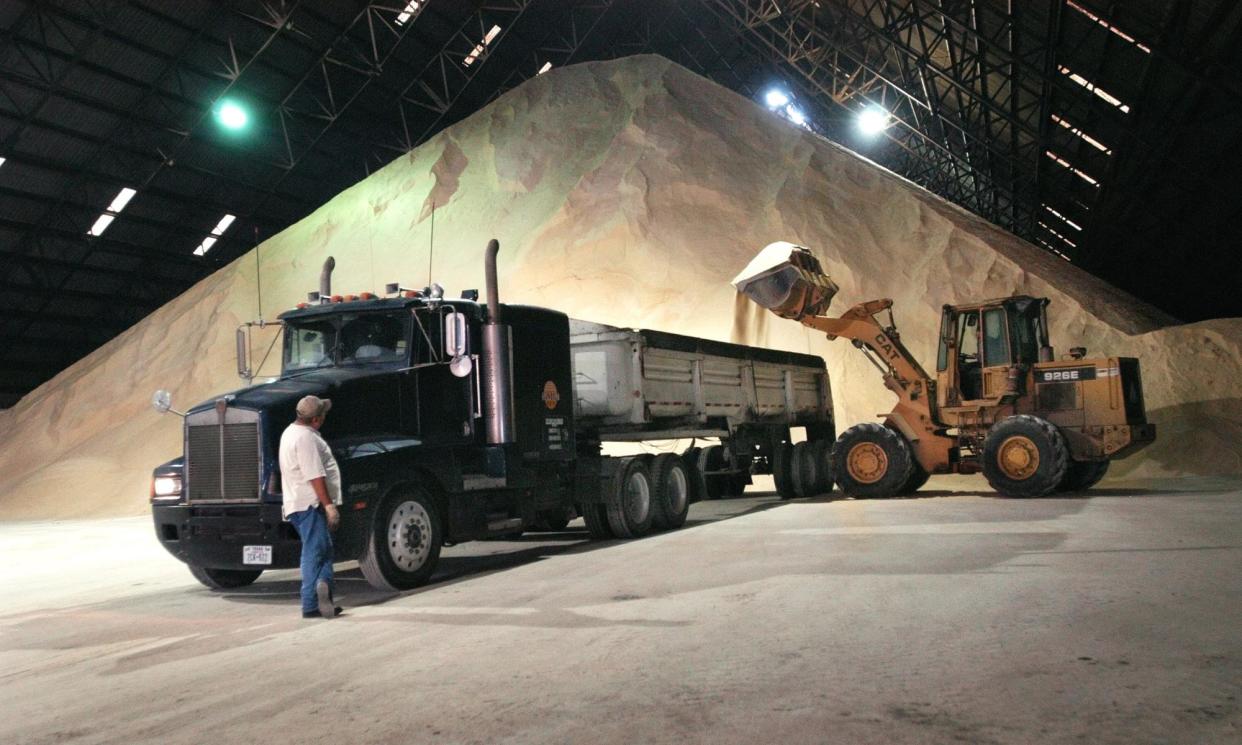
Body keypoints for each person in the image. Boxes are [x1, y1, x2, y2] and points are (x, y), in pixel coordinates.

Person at [279, 395, 343, 619]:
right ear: (316, 419)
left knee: (323, 550)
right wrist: (328, 506)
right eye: (323, 413)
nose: (325, 416)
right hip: (309, 504)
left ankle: (324, 587)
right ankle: (310, 603)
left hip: (299, 502)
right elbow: (315, 475)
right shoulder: (305, 439)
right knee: (314, 553)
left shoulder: (290, 432)